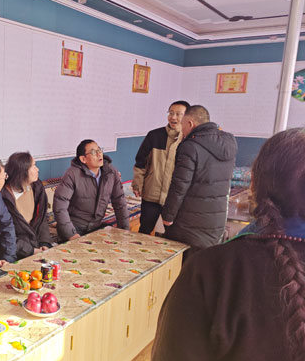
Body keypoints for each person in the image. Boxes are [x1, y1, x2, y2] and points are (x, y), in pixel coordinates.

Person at [140, 128, 305, 361]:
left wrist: (167, 217)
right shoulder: (227, 147)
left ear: (255, 183)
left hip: (191, 228)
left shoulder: (213, 272)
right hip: (211, 224)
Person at [161, 105, 237, 251]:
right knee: (205, 260)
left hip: (189, 223)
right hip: (217, 221)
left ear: (190, 124)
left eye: (183, 124)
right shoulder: (229, 143)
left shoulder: (190, 146)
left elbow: (179, 185)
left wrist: (168, 216)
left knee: (184, 261)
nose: (182, 130)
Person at [132, 100, 190, 234]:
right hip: (151, 194)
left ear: (187, 117)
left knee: (172, 234)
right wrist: (137, 184)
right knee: (144, 231)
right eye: (171, 113)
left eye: (178, 114)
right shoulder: (154, 136)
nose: (173, 117)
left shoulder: (189, 140)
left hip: (175, 198)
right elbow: (140, 162)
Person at [53, 140, 129, 241]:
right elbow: (60, 206)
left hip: (96, 226)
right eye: (93, 152)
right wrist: (71, 234)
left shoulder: (111, 172)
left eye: (99, 150)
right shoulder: (72, 174)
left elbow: (120, 202)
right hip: (75, 227)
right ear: (83, 159)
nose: (99, 154)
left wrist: (124, 230)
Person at [0, 152, 52, 260]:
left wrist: (44, 243)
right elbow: (3, 235)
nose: (37, 169)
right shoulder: (3, 196)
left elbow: (42, 219)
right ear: (22, 172)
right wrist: (31, 250)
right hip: (16, 250)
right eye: (33, 166)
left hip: (36, 245)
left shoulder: (37, 187)